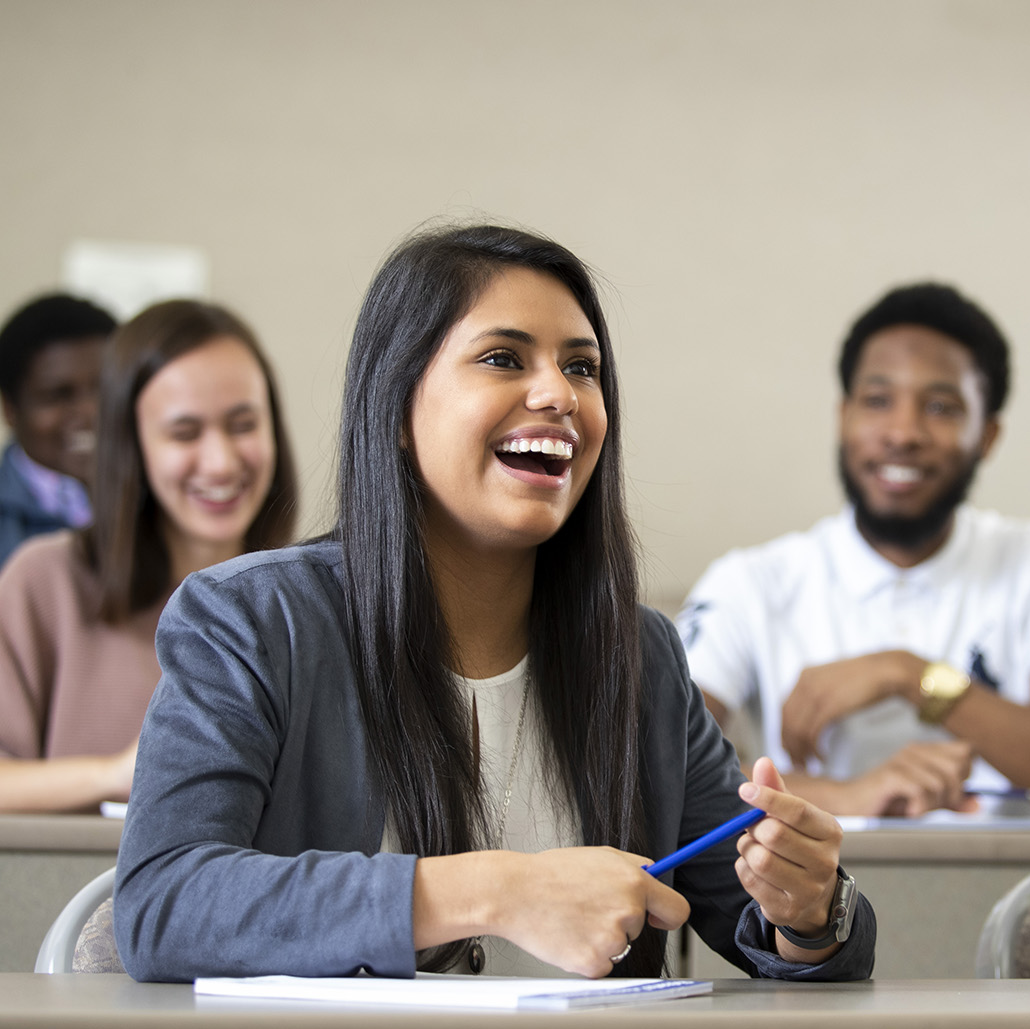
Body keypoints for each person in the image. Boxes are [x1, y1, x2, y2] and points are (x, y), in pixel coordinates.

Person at [114, 225, 875, 983]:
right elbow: (165, 903)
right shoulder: (252, 619)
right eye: (503, 358)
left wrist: (807, 912)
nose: (559, 395)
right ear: (395, 407)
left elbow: (773, 931)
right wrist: (499, 890)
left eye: (583, 368)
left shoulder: (639, 656)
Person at [677, 284, 1030, 817]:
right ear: (843, 417)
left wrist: (912, 676)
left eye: (940, 406)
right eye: (877, 400)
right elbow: (657, 769)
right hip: (809, 889)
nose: (903, 432)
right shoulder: (752, 581)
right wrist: (848, 799)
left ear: (988, 435)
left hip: (1012, 890)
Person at [0, 300, 297, 813]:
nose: (221, 462)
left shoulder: (308, 600)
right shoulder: (44, 580)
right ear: (131, 445)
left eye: (243, 424)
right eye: (185, 433)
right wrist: (118, 773)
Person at [0, 294, 116, 565]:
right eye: (58, 395)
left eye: (106, 389)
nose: (91, 412)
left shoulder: (171, 497)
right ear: (10, 409)